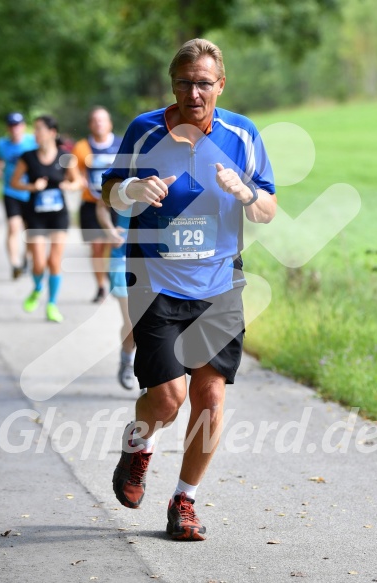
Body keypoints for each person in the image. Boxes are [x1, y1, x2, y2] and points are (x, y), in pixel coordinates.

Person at [102, 38, 276, 541]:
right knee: (168, 399)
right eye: (184, 83)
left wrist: (246, 193)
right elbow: (110, 192)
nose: (193, 93)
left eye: (204, 83)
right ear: (172, 85)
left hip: (219, 283)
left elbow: (267, 205)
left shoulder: (241, 134)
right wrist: (133, 190)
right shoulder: (144, 129)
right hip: (156, 281)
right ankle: (138, 449)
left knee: (209, 395)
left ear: (220, 84)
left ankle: (184, 501)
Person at [11, 115, 81, 322]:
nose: (35, 133)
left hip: (58, 216)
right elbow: (14, 183)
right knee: (39, 263)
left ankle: (51, 304)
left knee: (54, 261)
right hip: (35, 216)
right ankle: (37, 289)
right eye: (35, 130)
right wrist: (32, 187)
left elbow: (78, 181)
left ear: (52, 132)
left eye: (39, 129)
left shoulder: (65, 156)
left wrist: (69, 185)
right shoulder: (28, 157)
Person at [72, 107, 122, 303]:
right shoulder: (82, 147)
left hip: (118, 204)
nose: (99, 123)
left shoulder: (120, 144)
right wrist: (78, 179)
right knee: (97, 247)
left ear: (109, 123)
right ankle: (101, 287)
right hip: (91, 203)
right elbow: (73, 171)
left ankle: (114, 278)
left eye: (102, 120)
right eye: (95, 120)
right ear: (90, 125)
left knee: (115, 243)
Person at [96, 199, 136, 390]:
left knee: (153, 322)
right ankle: (127, 360)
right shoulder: (124, 173)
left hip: (156, 262)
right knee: (133, 321)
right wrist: (110, 230)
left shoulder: (166, 176)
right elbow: (101, 205)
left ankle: (150, 377)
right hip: (122, 259)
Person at [0, 112, 37, 279]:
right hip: (10, 191)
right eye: (12, 125)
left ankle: (26, 258)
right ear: (8, 127)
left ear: (23, 126)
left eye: (18, 125)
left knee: (29, 230)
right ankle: (15, 264)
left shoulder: (32, 142)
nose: (15, 129)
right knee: (13, 227)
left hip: (30, 190)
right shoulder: (1, 144)